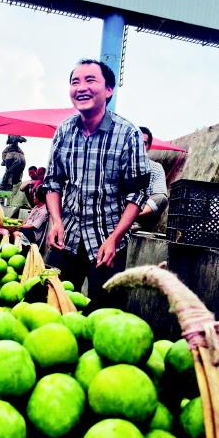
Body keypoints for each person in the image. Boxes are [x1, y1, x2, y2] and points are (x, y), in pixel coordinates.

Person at [43, 59, 150, 310]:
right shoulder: (64, 131)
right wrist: (56, 221)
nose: (81, 87)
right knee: (51, 305)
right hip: (67, 235)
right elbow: (53, 182)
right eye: (75, 82)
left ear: (109, 90)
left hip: (107, 240)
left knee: (103, 313)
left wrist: (115, 237)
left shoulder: (128, 134)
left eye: (90, 80)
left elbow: (138, 193)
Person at [132, 126, 168, 232]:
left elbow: (159, 197)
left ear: (148, 146)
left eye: (144, 143)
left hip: (140, 213)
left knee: (161, 198)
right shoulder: (119, 163)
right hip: (116, 211)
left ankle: (130, 220)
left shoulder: (156, 168)